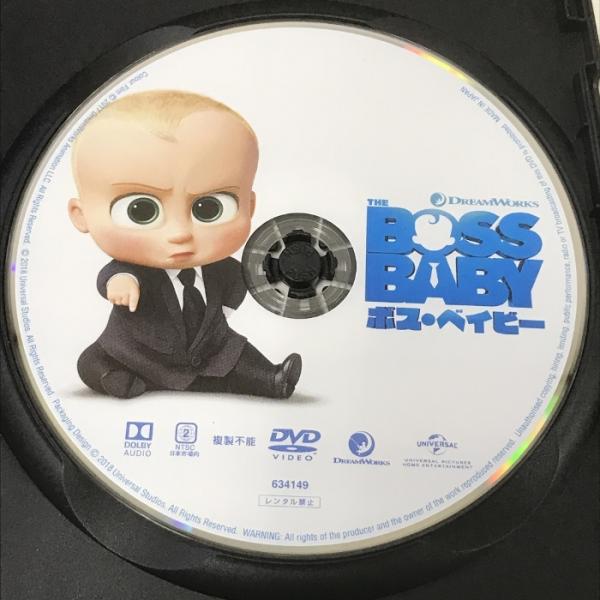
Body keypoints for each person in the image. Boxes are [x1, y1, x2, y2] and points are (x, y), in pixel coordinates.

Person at [68, 90, 301, 399]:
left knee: (236, 353)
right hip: (137, 352)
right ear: (81, 215)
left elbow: (235, 285)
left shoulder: (226, 270)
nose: (180, 233)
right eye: (141, 210)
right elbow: (115, 275)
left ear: (249, 206)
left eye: (210, 208)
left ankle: (272, 379)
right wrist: (121, 283)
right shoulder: (132, 271)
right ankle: (113, 377)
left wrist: (219, 320)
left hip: (206, 349)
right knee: (93, 361)